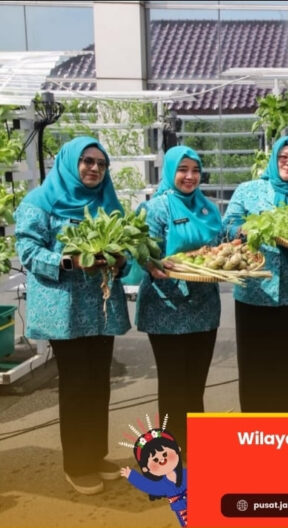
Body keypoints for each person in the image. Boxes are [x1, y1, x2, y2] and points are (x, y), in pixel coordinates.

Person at [14, 136, 130, 495]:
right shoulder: (40, 202)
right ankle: (77, 464)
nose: (95, 169)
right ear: (69, 163)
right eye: (87, 161)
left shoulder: (106, 203)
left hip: (101, 307)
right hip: (65, 309)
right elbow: (28, 251)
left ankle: (95, 454)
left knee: (98, 382)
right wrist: (69, 261)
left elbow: (125, 249)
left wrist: (121, 260)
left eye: (101, 163)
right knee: (77, 384)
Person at [222, 135, 288, 412]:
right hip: (254, 291)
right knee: (256, 364)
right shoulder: (248, 190)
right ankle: (258, 429)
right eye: (283, 157)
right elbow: (227, 226)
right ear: (274, 159)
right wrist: (245, 230)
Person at [135, 146, 222, 453]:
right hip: (166, 307)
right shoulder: (156, 208)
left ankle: (194, 446)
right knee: (173, 382)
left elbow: (219, 247)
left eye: (195, 170)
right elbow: (142, 251)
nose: (190, 176)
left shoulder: (208, 208)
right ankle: (170, 449)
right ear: (170, 171)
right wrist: (151, 264)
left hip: (204, 306)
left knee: (196, 382)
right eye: (183, 169)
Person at [120, 414, 187, 526]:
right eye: (155, 459)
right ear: (146, 469)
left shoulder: (186, 474)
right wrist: (132, 476)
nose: (161, 459)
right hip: (184, 514)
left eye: (165, 454)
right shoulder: (163, 484)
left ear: (177, 450)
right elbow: (149, 486)